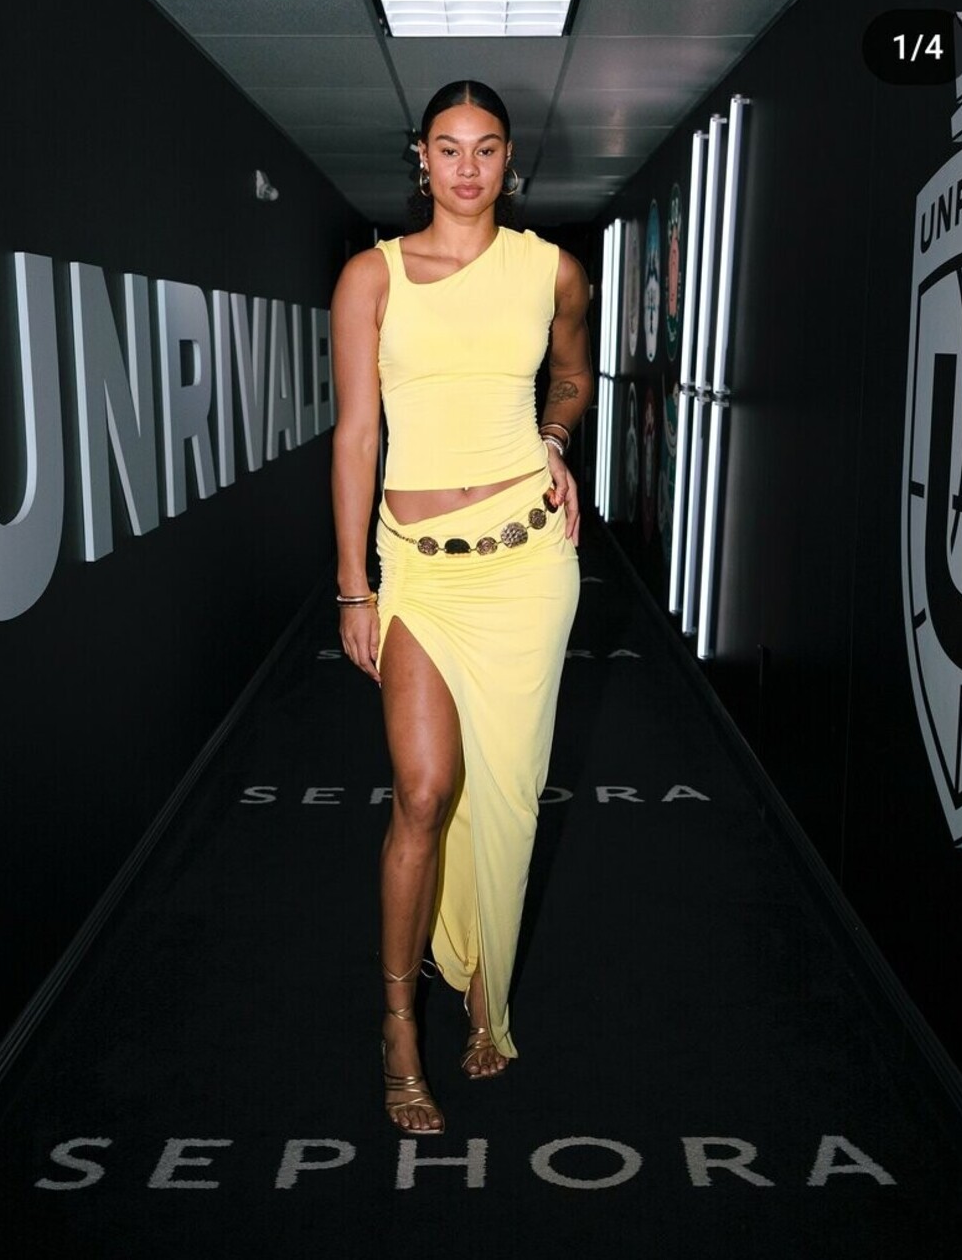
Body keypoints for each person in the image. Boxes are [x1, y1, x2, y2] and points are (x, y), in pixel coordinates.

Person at [330, 79, 592, 1135]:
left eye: (487, 148)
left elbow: (570, 378)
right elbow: (357, 436)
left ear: (508, 160)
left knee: (512, 797)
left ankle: (488, 988)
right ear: (421, 158)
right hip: (420, 574)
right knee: (426, 788)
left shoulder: (550, 270)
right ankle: (400, 1026)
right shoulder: (373, 276)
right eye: (449, 147)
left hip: (528, 565)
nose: (468, 167)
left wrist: (555, 440)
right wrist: (354, 585)